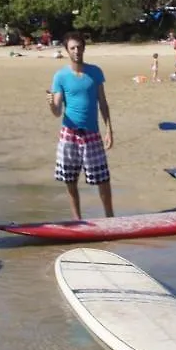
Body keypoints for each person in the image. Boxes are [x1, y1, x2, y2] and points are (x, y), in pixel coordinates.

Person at [47, 31, 114, 220]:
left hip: (92, 134)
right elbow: (57, 111)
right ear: (67, 51)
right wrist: (51, 103)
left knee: (102, 179)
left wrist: (109, 129)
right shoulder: (60, 76)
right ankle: (77, 220)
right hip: (69, 135)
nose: (76, 51)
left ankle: (110, 218)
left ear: (84, 48)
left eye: (79, 47)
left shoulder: (95, 72)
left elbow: (103, 102)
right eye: (72, 48)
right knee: (70, 180)